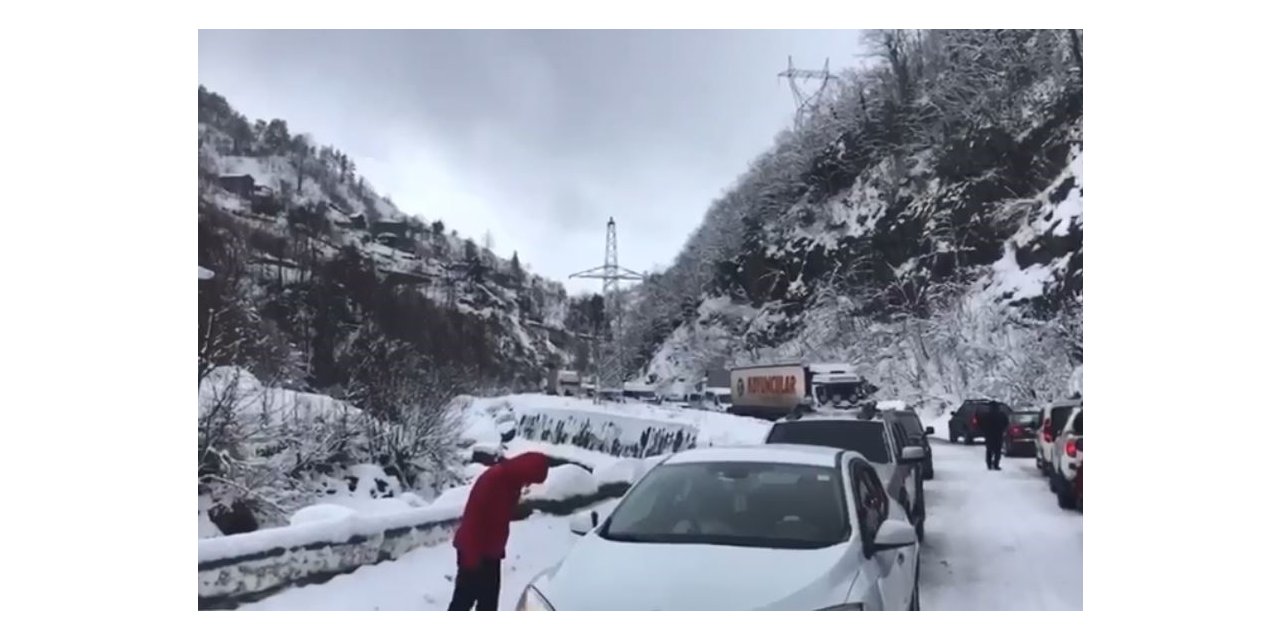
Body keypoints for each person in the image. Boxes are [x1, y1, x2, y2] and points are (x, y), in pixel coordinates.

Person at [448, 451, 550, 611]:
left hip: (490, 553)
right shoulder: (494, 481)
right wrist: (472, 561)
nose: (529, 484)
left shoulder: (511, 482)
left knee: (488, 604)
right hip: (474, 552)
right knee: (462, 603)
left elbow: (498, 517)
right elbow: (474, 520)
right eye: (530, 479)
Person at [983, 400, 1009, 470]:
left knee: (989, 450)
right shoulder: (1001, 415)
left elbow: (982, 424)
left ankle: (989, 464)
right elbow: (1006, 423)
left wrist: (985, 431)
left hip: (989, 435)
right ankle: (996, 464)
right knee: (997, 451)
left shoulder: (986, 415)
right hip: (998, 434)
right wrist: (1002, 429)